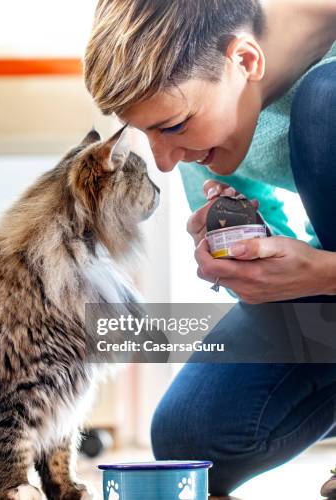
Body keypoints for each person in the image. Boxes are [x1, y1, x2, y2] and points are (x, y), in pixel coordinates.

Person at [83, 1, 336, 499]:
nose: (163, 160)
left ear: (244, 61)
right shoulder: (206, 126)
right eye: (148, 132)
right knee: (189, 435)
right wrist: (255, 263)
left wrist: (326, 274)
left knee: (324, 104)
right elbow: (283, 250)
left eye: (174, 125)